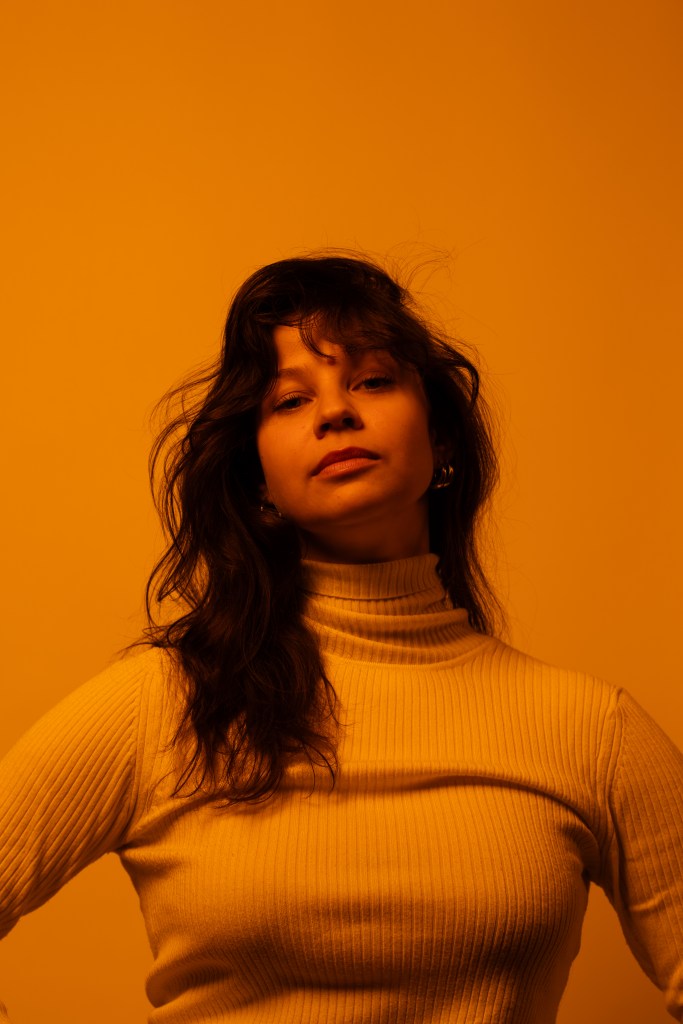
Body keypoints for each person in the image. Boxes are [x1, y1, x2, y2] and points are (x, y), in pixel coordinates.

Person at [1, 252, 682, 1024]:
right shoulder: (163, 704)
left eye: (373, 381)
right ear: (258, 480)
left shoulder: (591, 731)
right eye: (290, 400)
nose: (334, 413)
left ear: (442, 441)